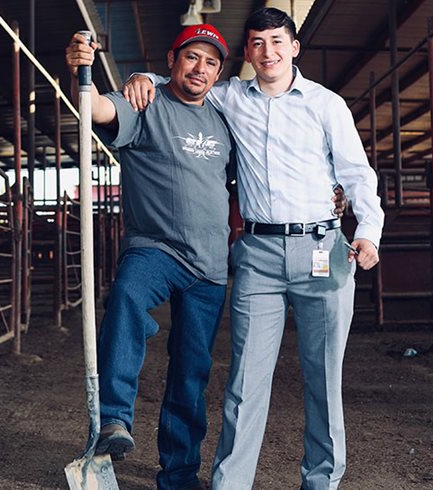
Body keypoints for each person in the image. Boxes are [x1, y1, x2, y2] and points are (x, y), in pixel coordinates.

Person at [122, 7, 384, 490]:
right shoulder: (229, 98)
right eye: (258, 43)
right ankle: (230, 484)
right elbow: (187, 80)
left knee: (323, 381)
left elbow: (356, 173)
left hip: (321, 248)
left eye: (278, 42)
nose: (269, 52)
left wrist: (368, 229)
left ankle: (321, 482)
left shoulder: (326, 104)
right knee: (244, 382)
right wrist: (142, 76)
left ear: (294, 48)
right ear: (247, 54)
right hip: (258, 256)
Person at [66, 24, 234, 490]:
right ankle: (113, 421)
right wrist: (82, 69)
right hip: (155, 249)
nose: (200, 68)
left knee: (191, 370)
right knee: (126, 297)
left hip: (210, 267)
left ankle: (179, 475)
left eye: (210, 62)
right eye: (191, 57)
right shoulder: (146, 103)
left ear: (219, 73)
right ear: (172, 59)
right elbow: (98, 108)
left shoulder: (224, 121)